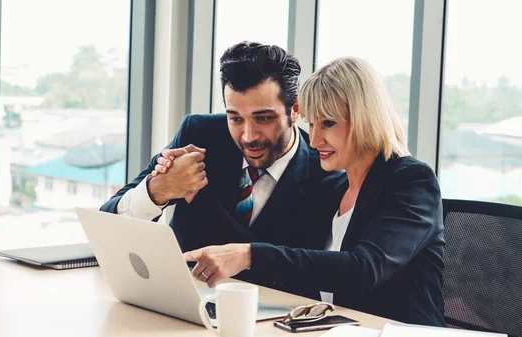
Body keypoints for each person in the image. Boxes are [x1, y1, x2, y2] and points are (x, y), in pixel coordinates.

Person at [178, 57, 446, 326]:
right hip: (331, 329)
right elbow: (284, 256)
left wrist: (248, 255)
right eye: (311, 124)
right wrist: (198, 195)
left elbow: (364, 269)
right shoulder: (331, 189)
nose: (315, 140)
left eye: (328, 123)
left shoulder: (412, 181)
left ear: (366, 118)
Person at [99, 41, 330, 257]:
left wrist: (203, 201)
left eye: (263, 118)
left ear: (295, 109)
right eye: (236, 119)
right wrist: (158, 190)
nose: (248, 137)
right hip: (176, 298)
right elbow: (107, 224)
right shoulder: (199, 135)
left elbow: (282, 271)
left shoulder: (325, 175)